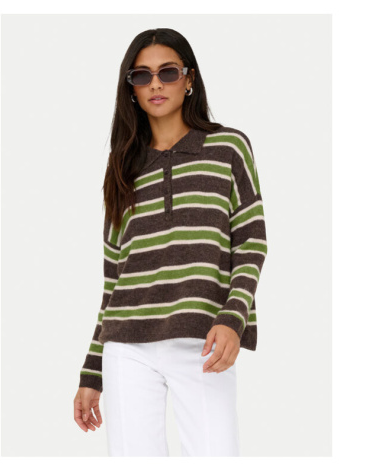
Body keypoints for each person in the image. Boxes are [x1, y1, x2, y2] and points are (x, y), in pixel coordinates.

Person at [73, 28, 268, 457]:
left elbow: (252, 241)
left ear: (189, 78)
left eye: (168, 72)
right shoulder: (122, 165)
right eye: (142, 75)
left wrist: (233, 318)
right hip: (126, 345)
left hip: (202, 338)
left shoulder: (227, 148)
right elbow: (114, 277)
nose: (156, 84)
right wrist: (92, 371)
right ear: (131, 88)